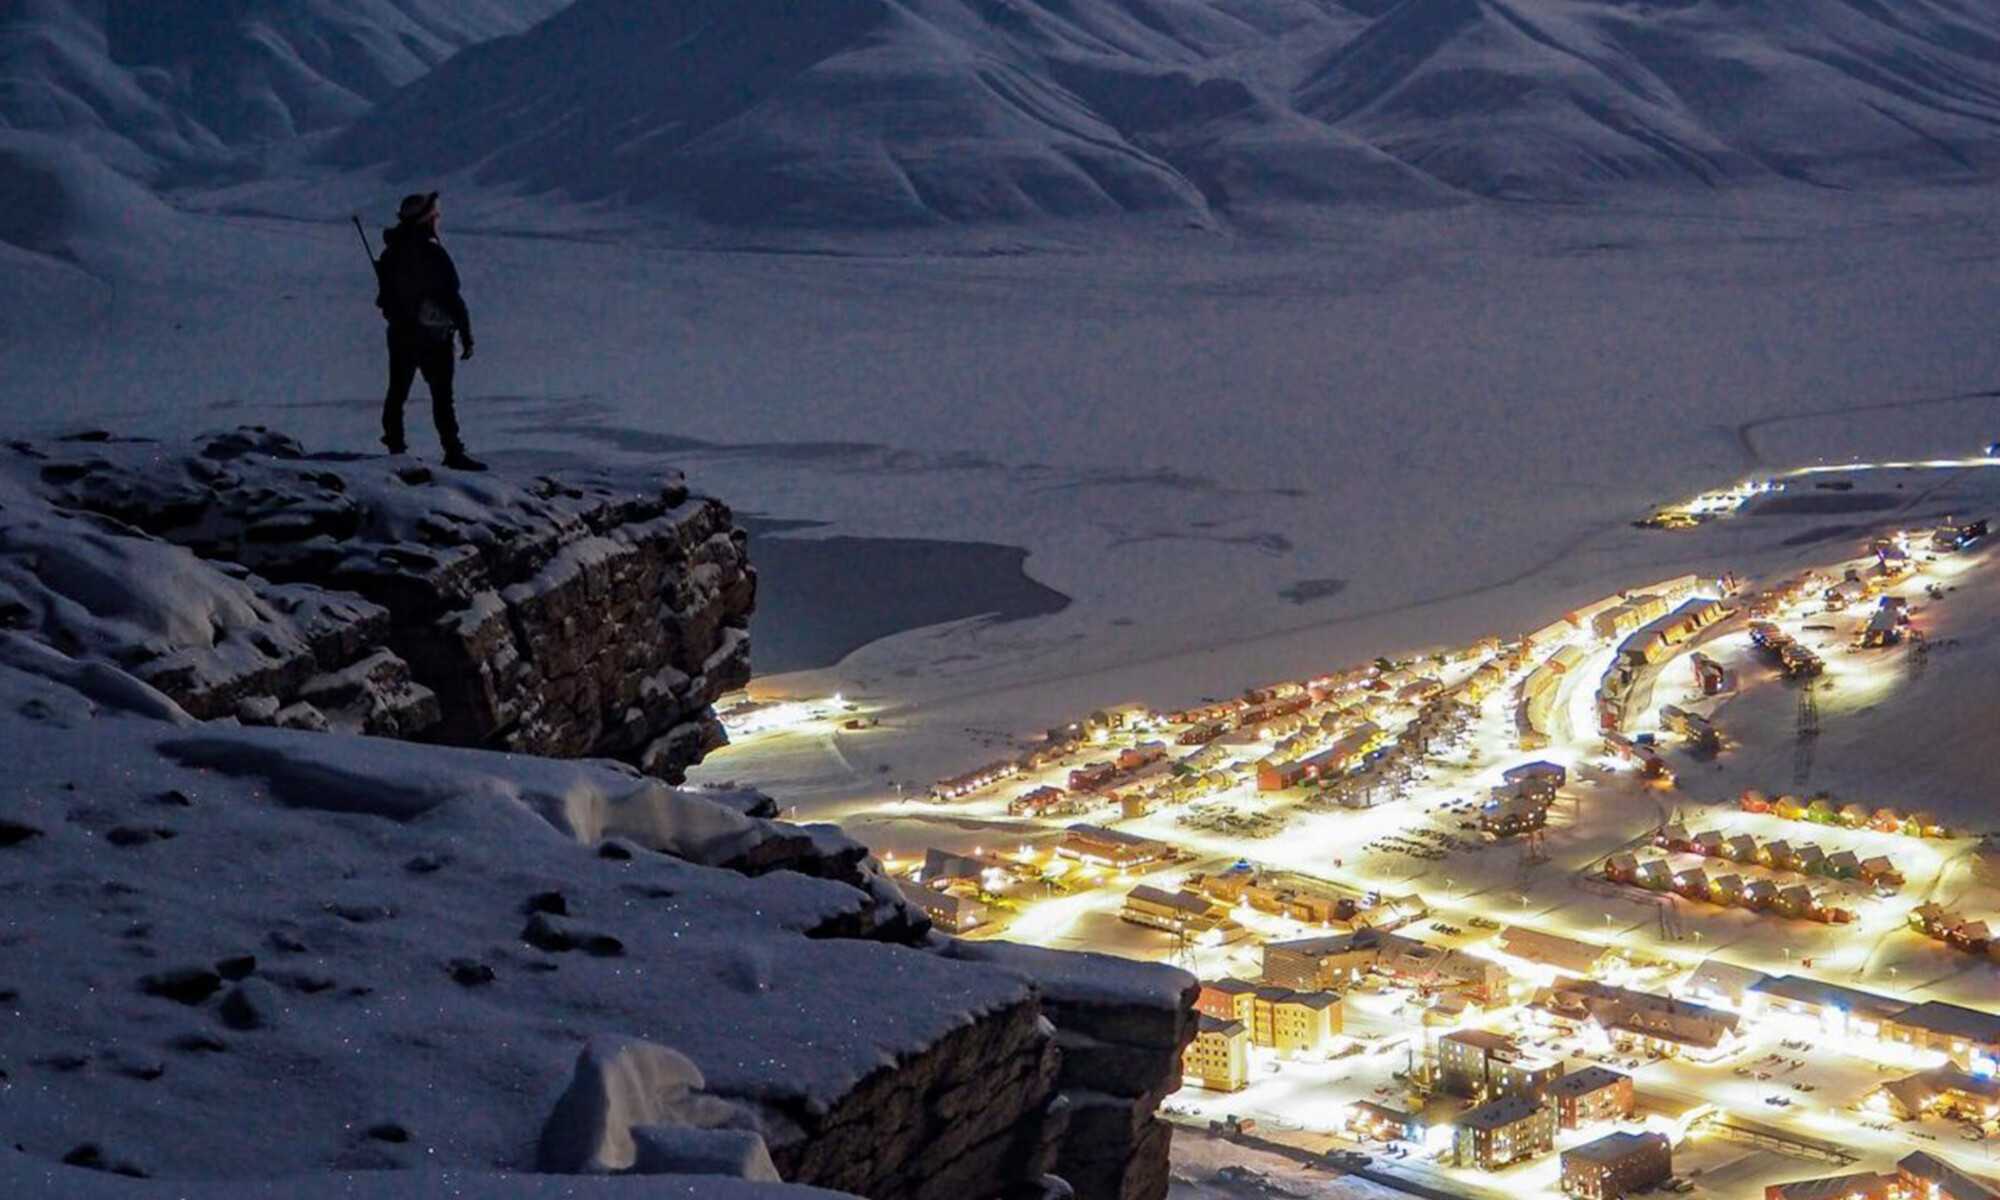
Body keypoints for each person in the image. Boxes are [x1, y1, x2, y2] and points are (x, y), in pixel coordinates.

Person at [376, 191, 483, 470]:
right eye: (436, 215)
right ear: (428, 219)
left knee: (397, 392)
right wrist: (466, 332)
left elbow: (383, 298)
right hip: (433, 336)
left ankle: (396, 449)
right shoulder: (432, 252)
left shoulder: (391, 253)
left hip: (399, 333)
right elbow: (451, 295)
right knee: (441, 396)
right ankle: (453, 452)